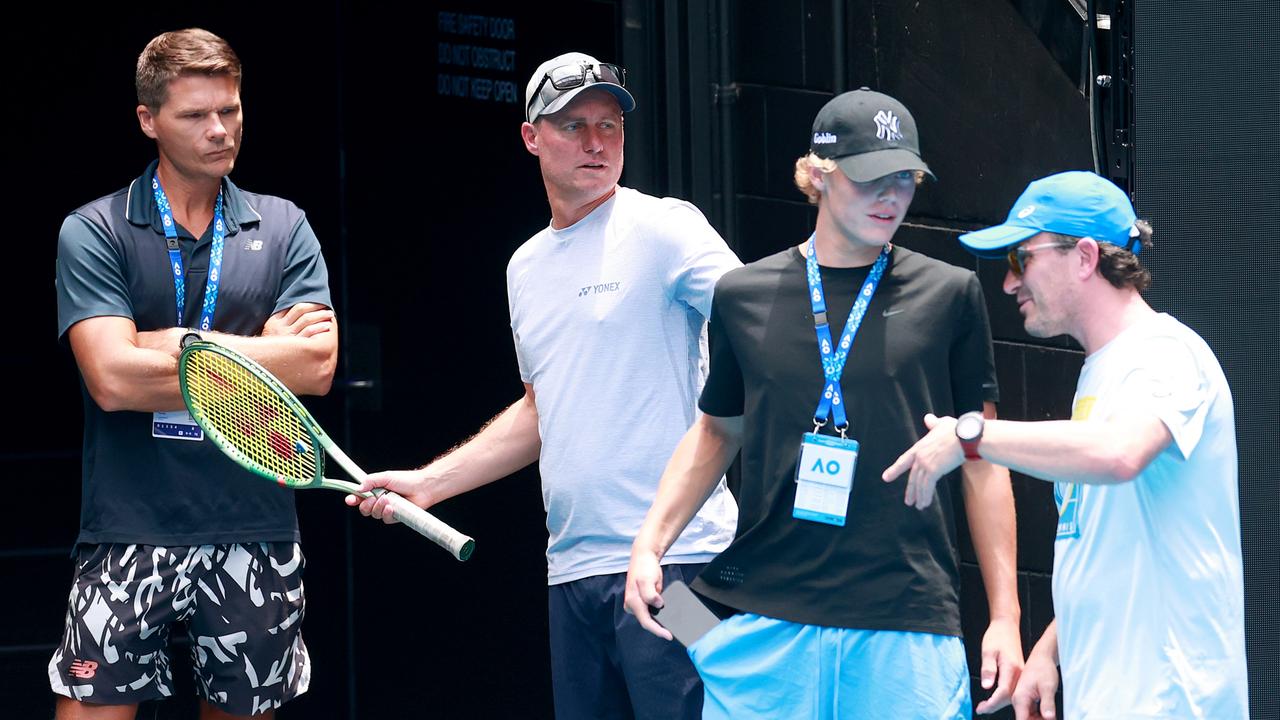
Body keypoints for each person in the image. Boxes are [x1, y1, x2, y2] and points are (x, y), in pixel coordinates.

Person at [349, 51, 741, 719]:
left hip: (683, 568)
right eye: (572, 125)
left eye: (610, 125)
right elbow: (541, 409)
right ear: (531, 137)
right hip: (574, 577)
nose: (595, 143)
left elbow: (764, 323)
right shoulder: (525, 268)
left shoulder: (667, 228)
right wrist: (430, 482)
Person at [625, 88, 1022, 719]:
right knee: (675, 611)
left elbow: (985, 461)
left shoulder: (951, 294)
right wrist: (649, 544)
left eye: (905, 179)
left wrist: (1005, 616)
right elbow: (715, 432)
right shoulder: (741, 295)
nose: (891, 197)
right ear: (818, 175)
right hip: (762, 619)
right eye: (870, 180)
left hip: (905, 622)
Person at [883, 170, 1249, 719]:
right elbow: (1109, 545)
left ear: (1082, 257)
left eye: (1020, 259)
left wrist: (972, 437)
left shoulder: (1168, 354)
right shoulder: (1102, 373)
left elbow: (1120, 453)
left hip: (1173, 702)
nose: (1009, 284)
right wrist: (1051, 649)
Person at [51, 28, 337, 719]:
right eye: (195, 115)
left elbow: (316, 367)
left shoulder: (283, 224)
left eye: (230, 111)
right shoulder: (96, 229)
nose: (219, 130)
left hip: (255, 525)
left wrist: (176, 342)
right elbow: (113, 381)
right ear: (148, 120)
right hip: (128, 525)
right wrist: (257, 355)